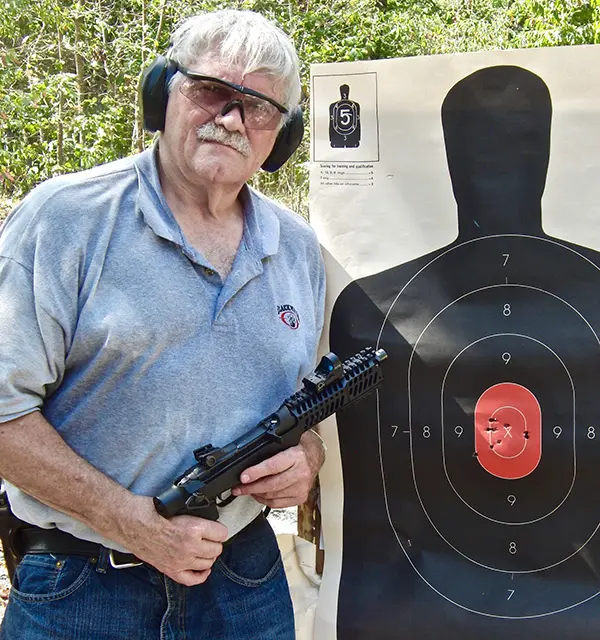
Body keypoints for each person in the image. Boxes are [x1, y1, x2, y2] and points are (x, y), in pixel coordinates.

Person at [0, 9, 325, 639]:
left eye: (257, 107)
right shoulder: (64, 220)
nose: (230, 120)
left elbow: (304, 407)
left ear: (280, 138)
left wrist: (305, 456)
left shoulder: (298, 250)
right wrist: (133, 524)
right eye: (210, 92)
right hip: (84, 581)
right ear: (162, 93)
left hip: (245, 578)